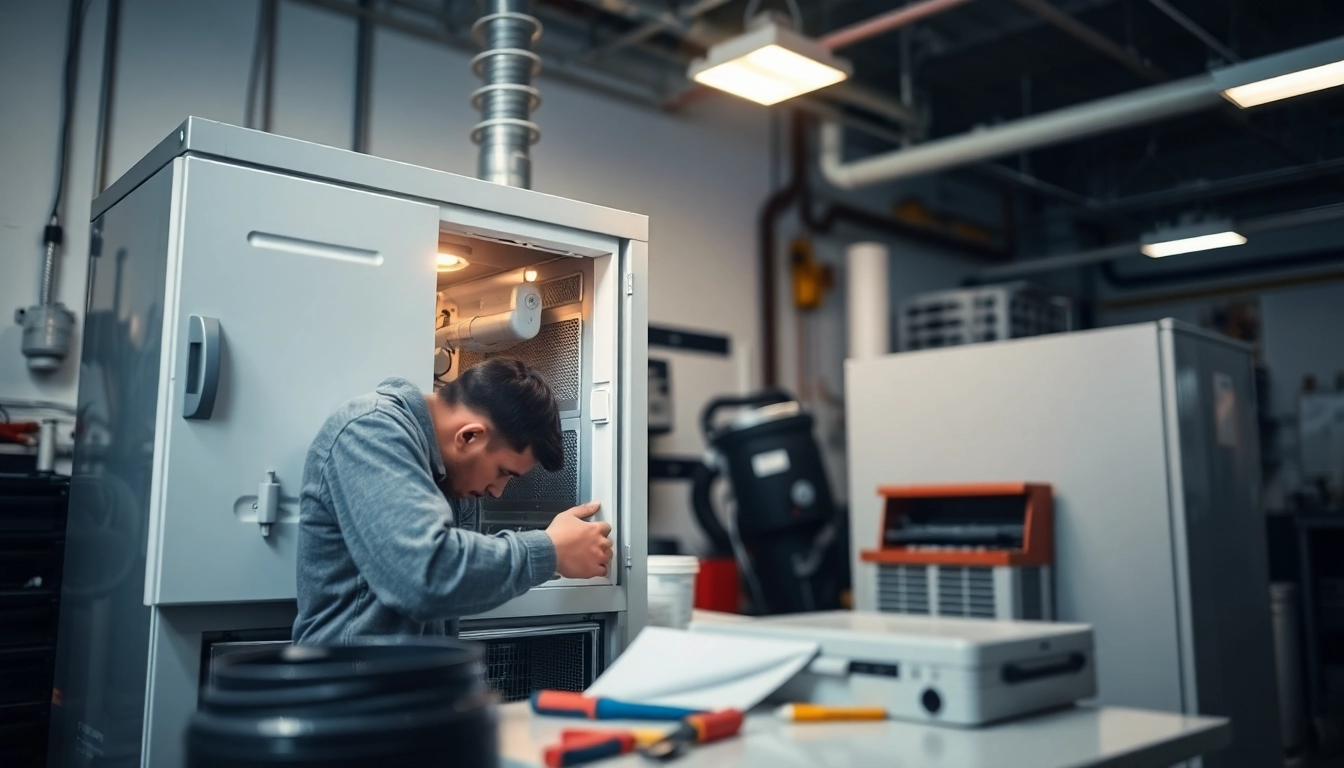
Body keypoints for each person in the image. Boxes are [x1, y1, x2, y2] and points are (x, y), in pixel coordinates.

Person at [292, 357, 611, 645]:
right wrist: (550, 550)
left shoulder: (451, 476)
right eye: (502, 472)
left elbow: (459, 577)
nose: (498, 491)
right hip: (345, 698)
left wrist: (560, 550)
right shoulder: (370, 430)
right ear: (470, 436)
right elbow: (426, 576)